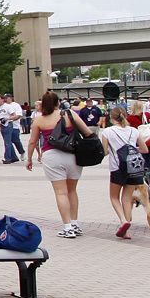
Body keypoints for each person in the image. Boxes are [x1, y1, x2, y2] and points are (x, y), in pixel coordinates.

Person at [26, 91, 97, 239]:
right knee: (72, 191)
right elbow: (87, 131)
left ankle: (67, 227)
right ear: (58, 103)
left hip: (52, 156)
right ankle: (75, 223)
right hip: (72, 155)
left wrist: (29, 159)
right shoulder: (69, 114)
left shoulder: (39, 120)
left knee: (60, 192)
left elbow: (32, 141)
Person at [101, 108, 150, 239]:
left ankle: (123, 221)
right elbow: (144, 149)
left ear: (111, 118)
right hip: (134, 168)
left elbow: (105, 151)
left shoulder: (107, 131)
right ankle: (126, 228)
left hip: (117, 168)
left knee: (114, 197)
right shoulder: (134, 131)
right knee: (127, 197)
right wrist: (131, 150)